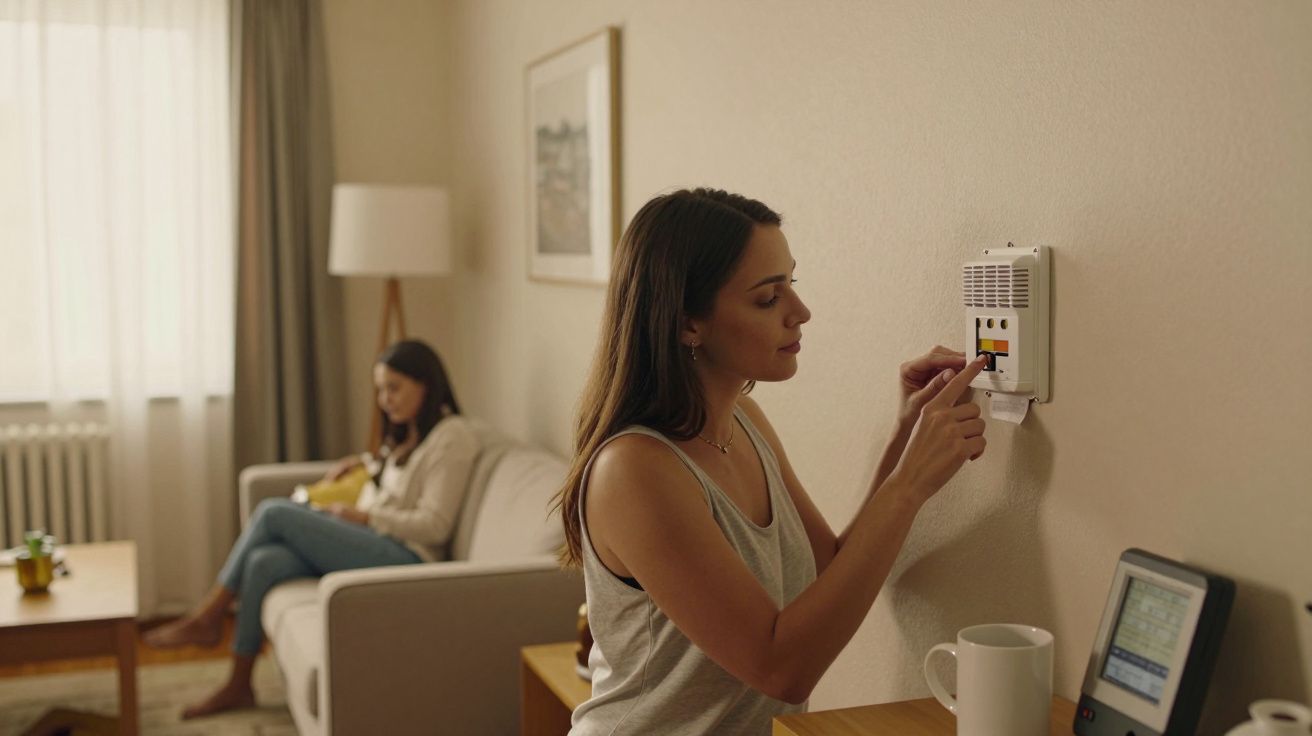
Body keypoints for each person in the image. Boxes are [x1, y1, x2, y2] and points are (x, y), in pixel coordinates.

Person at [555, 189, 991, 734]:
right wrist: (908, 487)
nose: (800, 313)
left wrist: (906, 436)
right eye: (767, 298)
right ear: (688, 323)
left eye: (793, 285)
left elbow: (828, 574)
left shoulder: (746, 421)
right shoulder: (635, 470)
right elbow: (782, 668)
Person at [145, 339, 479, 718]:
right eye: (380, 390)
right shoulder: (410, 432)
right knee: (264, 562)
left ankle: (209, 617)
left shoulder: (453, 438)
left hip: (408, 558)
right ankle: (239, 684)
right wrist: (365, 465)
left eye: (394, 388)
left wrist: (365, 518)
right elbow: (402, 481)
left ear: (426, 383)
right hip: (378, 541)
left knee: (274, 513)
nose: (385, 399)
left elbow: (435, 525)